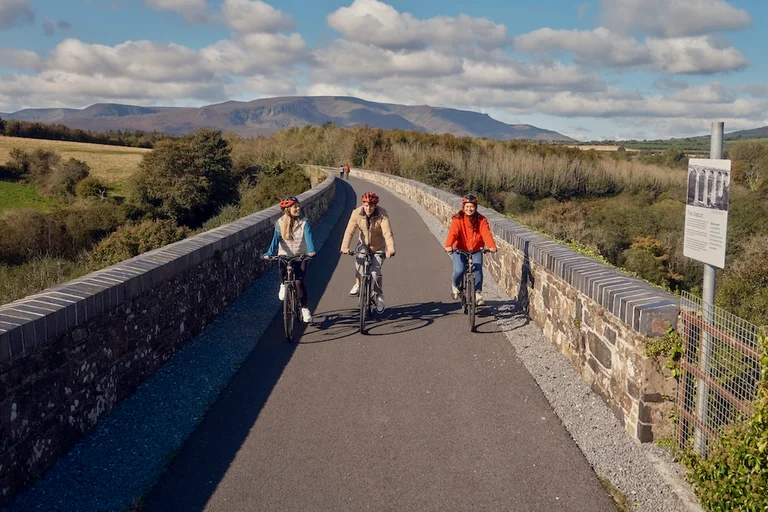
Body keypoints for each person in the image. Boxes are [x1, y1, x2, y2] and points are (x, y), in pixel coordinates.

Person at [340, 191, 395, 313]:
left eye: (370, 206)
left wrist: (390, 249)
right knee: (359, 258)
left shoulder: (382, 214)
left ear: (375, 206)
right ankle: (358, 283)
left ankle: (379, 295)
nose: (368, 208)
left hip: (378, 247)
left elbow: (387, 233)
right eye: (366, 205)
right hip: (363, 244)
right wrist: (345, 246)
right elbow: (349, 231)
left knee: (375, 274)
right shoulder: (356, 213)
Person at [264, 196, 316, 323]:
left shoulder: (304, 222)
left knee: (299, 282)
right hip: (285, 254)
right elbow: (275, 240)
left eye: (298, 206)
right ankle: (283, 285)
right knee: (281, 270)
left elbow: (308, 238)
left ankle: (304, 309)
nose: (298, 208)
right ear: (287, 209)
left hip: (300, 255)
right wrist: (269, 253)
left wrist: (311, 251)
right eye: (295, 207)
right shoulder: (280, 223)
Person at [444, 194, 497, 306]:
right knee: (459, 270)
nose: (469, 209)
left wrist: (492, 246)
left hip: (476, 249)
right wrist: (448, 245)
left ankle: (477, 293)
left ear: (475, 207)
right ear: (463, 207)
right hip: (459, 249)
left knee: (477, 269)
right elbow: (453, 233)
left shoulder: (481, 220)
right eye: (467, 206)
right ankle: (455, 285)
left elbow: (485, 233)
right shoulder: (458, 219)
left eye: (472, 206)